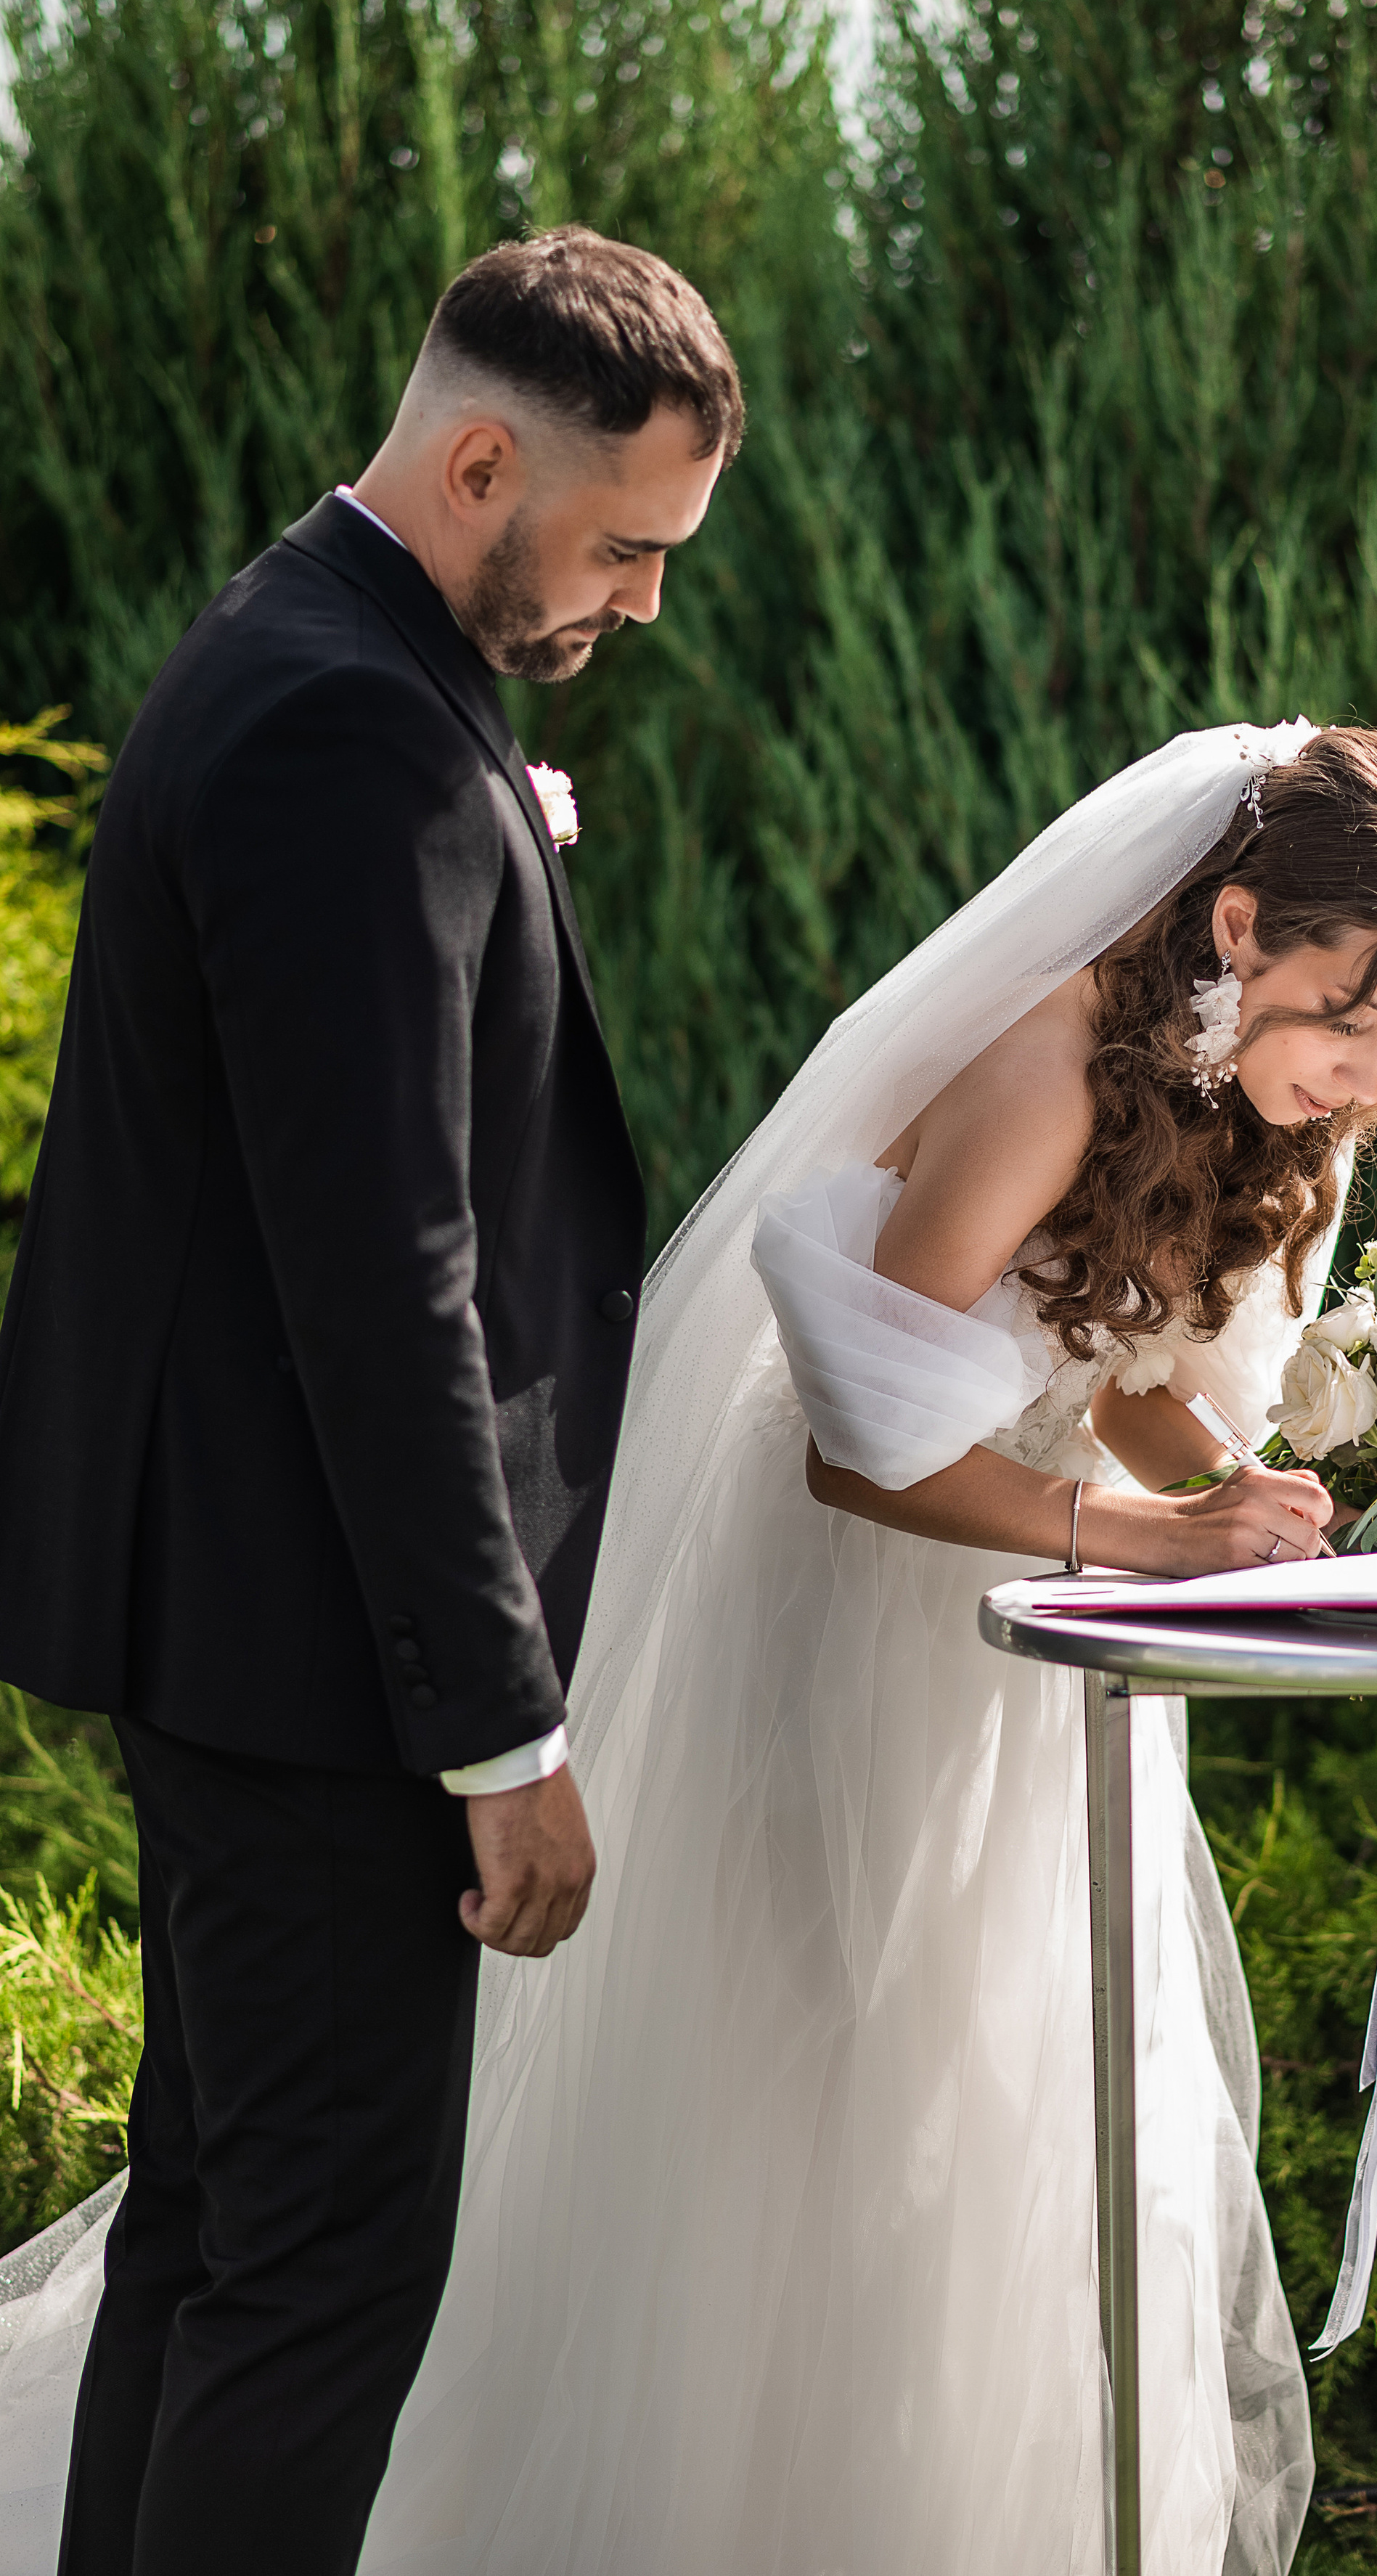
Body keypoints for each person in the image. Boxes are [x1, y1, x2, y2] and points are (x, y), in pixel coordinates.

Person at [342, 719, 1377, 2572]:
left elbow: (1111, 1377)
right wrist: (1154, 1536)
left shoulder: (1258, 1098)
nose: (1366, 1075)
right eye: (1345, 1022)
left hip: (1038, 1643)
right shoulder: (1043, 1072)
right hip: (849, 1621)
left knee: (1022, 2091)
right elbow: (862, 1449)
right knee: (827, 2082)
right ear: (1235, 925)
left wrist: (1246, 1497)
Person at [0, 226, 742, 2574]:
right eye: (625, 548)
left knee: (220, 2238)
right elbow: (386, 1272)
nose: (637, 607)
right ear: (486, 455)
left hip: (232, 1615)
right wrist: (500, 1733)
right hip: (321, 1653)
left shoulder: (315, 649)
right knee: (323, 2282)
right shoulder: (350, 722)